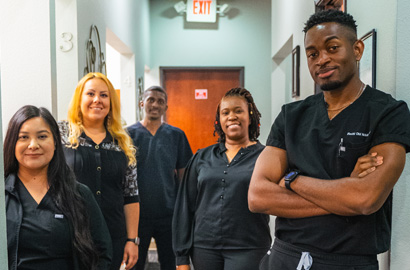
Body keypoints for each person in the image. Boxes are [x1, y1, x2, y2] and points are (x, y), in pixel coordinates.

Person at [248, 9, 410, 270]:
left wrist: (291, 179)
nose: (321, 59)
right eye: (312, 54)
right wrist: (345, 194)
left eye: (332, 48)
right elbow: (258, 196)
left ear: (357, 49)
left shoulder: (387, 113)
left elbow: (366, 199)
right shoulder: (291, 116)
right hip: (284, 257)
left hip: (347, 262)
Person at [172, 88, 271, 270]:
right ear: (219, 120)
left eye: (238, 111)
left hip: (249, 247)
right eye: (225, 112)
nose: (231, 116)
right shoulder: (201, 157)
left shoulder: (266, 156)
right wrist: (181, 258)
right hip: (204, 248)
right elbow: (185, 205)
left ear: (250, 116)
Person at [4, 105, 112, 270]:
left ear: (55, 142)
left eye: (42, 136)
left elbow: (102, 252)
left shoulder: (79, 195)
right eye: (23, 137)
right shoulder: (3, 195)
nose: (33, 145)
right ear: (12, 143)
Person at [59, 72, 140, 270]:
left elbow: (131, 194)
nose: (97, 100)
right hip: (69, 232)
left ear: (111, 102)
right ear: (80, 99)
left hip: (113, 234)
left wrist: (132, 239)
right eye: (91, 94)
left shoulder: (122, 140)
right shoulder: (61, 133)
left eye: (104, 95)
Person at [126, 86, 192, 270]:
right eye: (151, 100)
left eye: (160, 101)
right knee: (135, 264)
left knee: (170, 263)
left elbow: (183, 175)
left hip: (169, 214)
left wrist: (184, 210)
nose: (155, 105)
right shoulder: (127, 135)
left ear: (166, 107)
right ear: (142, 103)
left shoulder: (176, 135)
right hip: (137, 215)